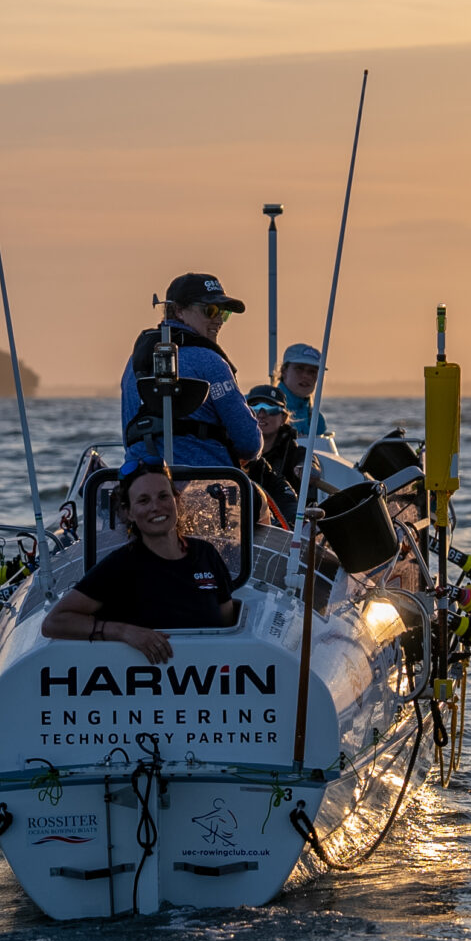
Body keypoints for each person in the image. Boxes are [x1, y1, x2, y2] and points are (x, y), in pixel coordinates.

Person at [41, 463, 239, 661]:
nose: (156, 507)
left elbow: (227, 623)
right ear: (129, 513)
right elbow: (54, 622)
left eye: (163, 496)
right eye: (143, 500)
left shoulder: (206, 554)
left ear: (176, 500)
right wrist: (123, 632)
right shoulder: (119, 566)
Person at [119, 273, 263, 473]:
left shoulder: (133, 364)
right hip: (205, 490)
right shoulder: (210, 362)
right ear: (178, 310)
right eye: (210, 310)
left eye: (224, 313)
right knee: (264, 498)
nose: (219, 319)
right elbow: (249, 444)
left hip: (141, 491)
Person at [242, 383, 303, 518]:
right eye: (255, 408)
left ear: (283, 418)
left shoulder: (295, 453)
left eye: (270, 408)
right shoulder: (237, 452)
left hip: (285, 518)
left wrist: (309, 468)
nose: (262, 414)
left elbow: (308, 461)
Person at [278, 340, 331, 444]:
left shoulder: (317, 420)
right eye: (299, 368)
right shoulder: (257, 406)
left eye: (312, 371)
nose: (306, 376)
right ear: (284, 371)